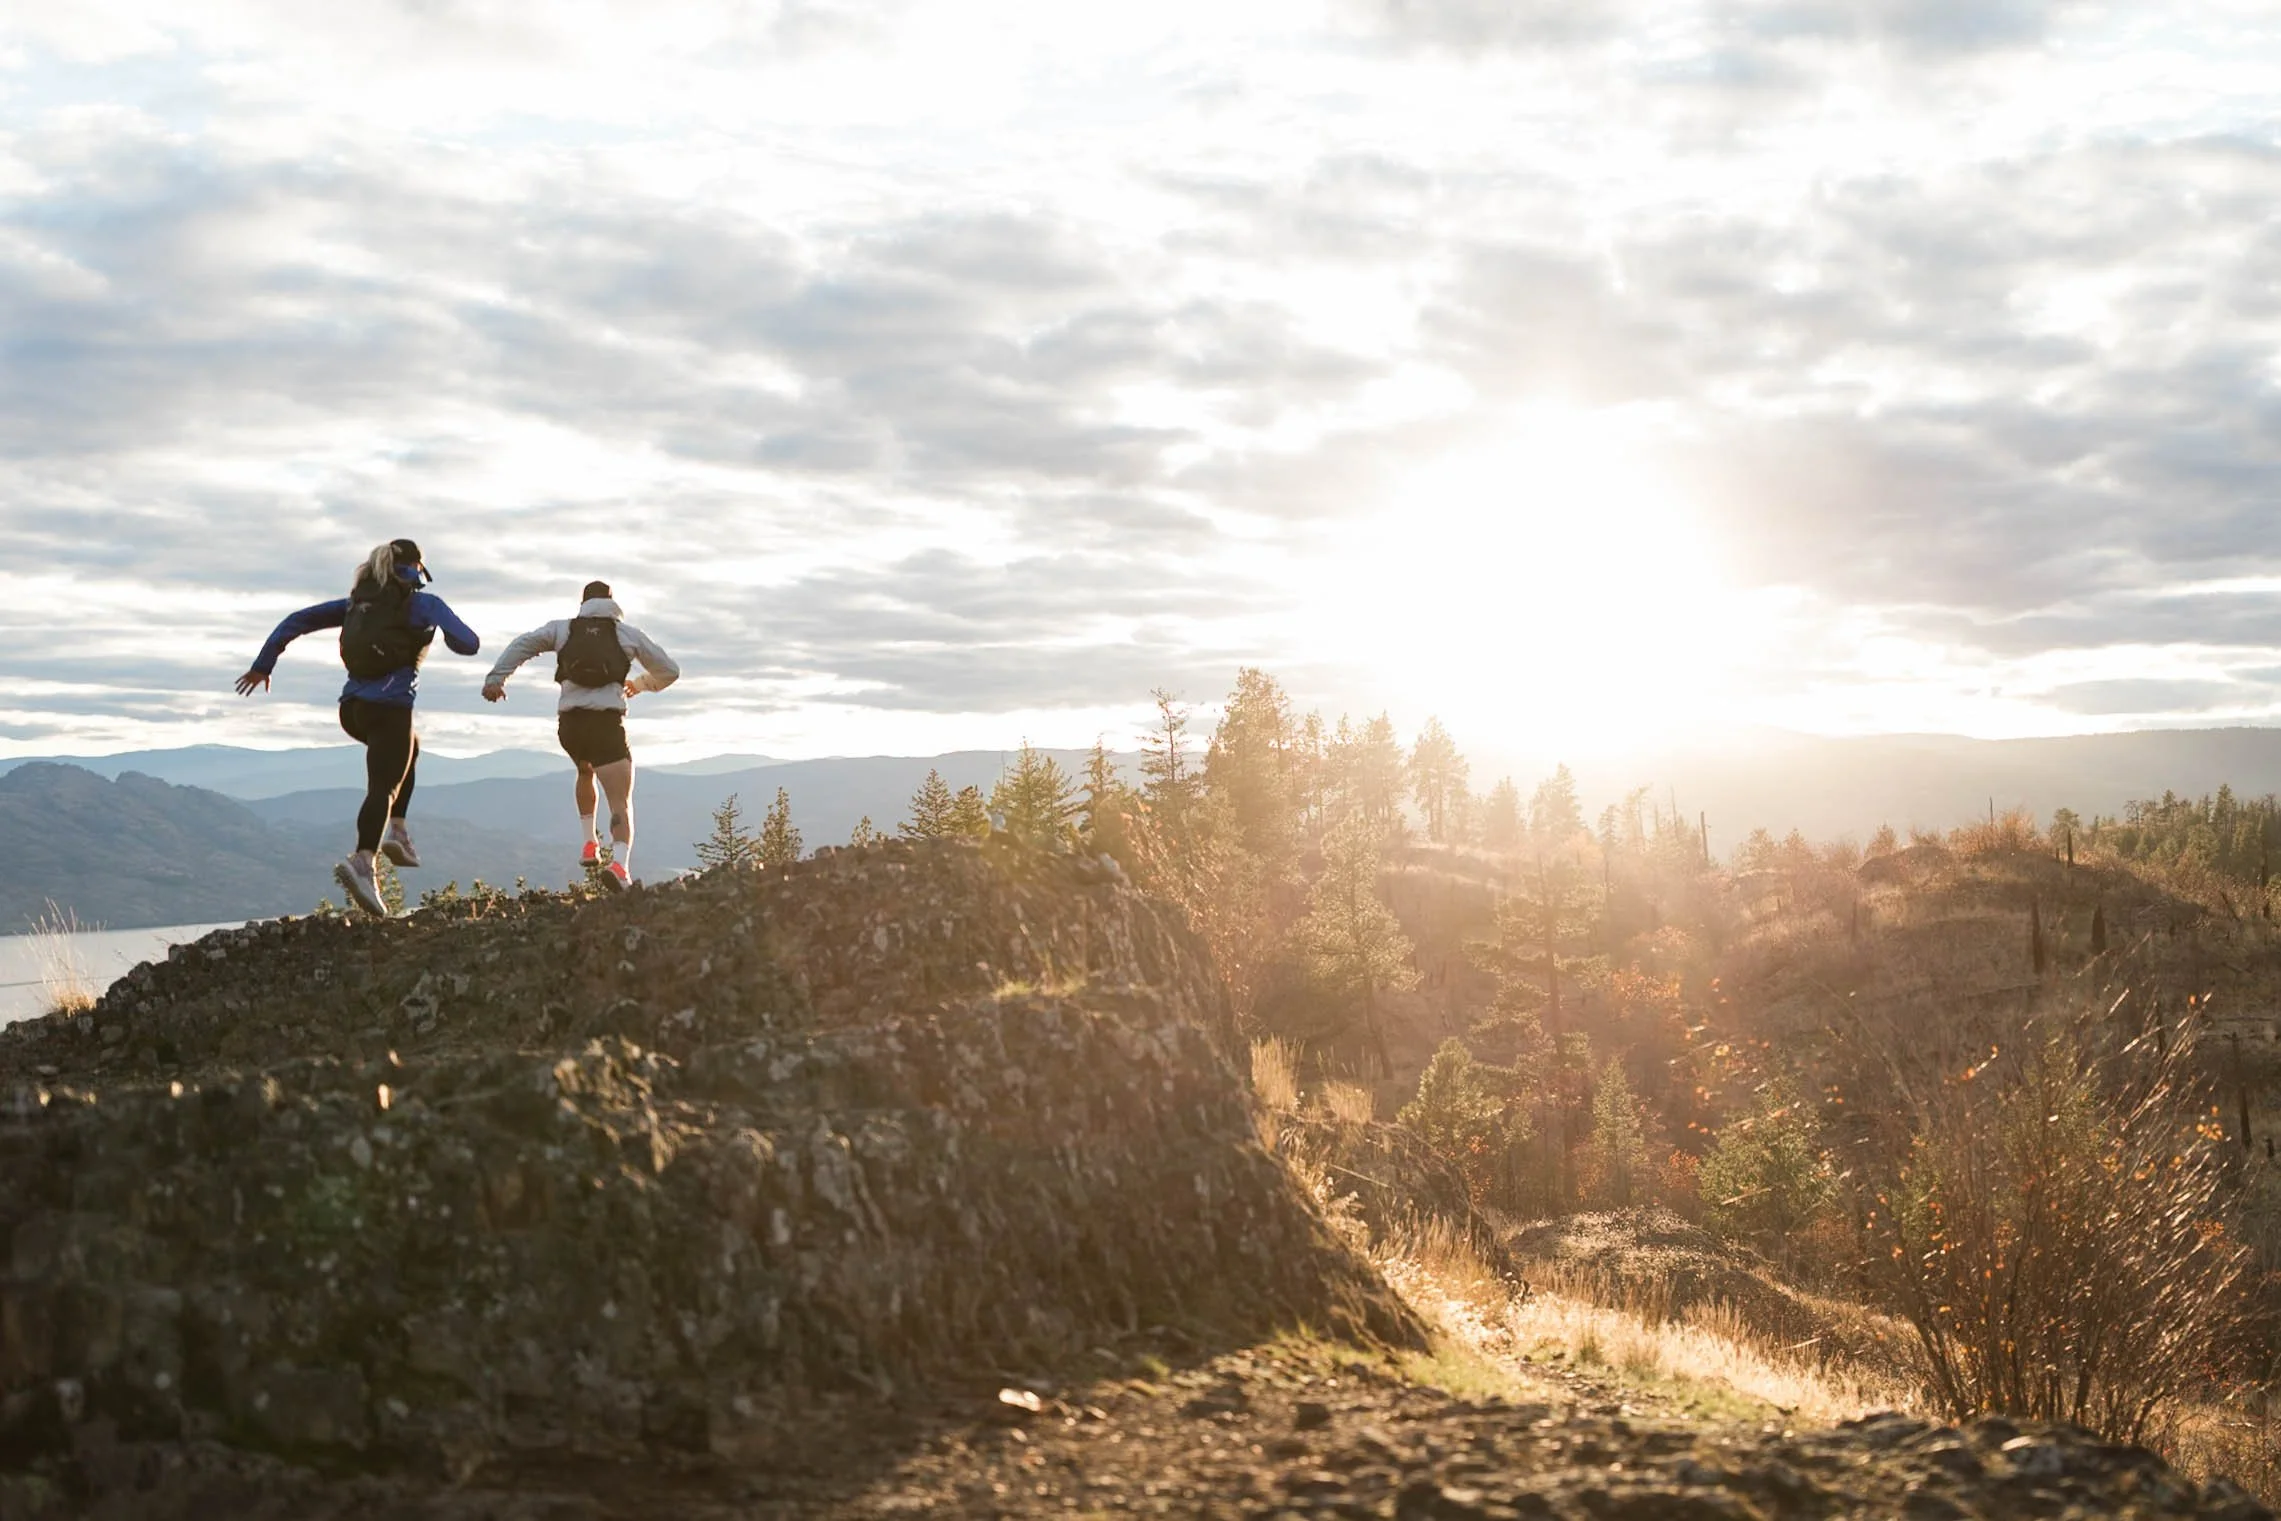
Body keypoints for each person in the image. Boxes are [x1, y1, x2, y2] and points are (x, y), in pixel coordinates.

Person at [234, 538, 481, 917]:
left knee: (410, 749)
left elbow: (294, 621)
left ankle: (397, 831)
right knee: (383, 785)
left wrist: (263, 665)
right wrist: (443, 630)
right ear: (417, 568)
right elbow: (469, 643)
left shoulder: (355, 605)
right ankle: (364, 860)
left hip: (352, 712)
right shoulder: (421, 605)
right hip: (390, 709)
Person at [481, 580, 678, 891]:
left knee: (584, 769)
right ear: (612, 603)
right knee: (620, 802)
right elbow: (669, 671)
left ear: (583, 603)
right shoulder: (627, 634)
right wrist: (639, 685)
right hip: (606, 724)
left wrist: (496, 679)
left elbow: (522, 644)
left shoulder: (563, 630)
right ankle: (620, 867)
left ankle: (589, 844)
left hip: (570, 726)